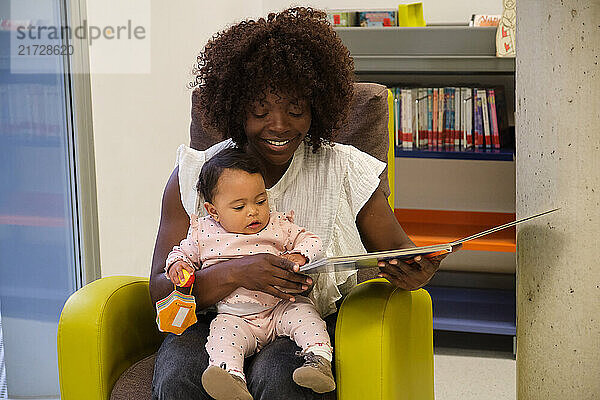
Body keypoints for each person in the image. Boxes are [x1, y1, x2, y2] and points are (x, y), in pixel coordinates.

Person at [150, 7, 459, 400]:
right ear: (235, 108)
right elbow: (160, 292)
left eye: (296, 109)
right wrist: (236, 273)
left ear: (317, 107)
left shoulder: (343, 167)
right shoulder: (194, 174)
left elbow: (400, 251)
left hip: (297, 318)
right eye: (260, 110)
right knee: (179, 378)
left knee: (283, 379)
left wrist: (418, 272)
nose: (279, 125)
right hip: (213, 318)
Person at [164, 148, 335, 399]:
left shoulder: (277, 225)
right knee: (222, 337)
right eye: (239, 206)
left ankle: (318, 360)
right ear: (213, 211)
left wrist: (300, 255)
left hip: (279, 308)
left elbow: (312, 240)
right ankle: (231, 379)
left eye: (260, 201)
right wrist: (177, 266)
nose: (253, 211)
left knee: (306, 315)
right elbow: (179, 253)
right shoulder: (204, 234)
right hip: (236, 317)